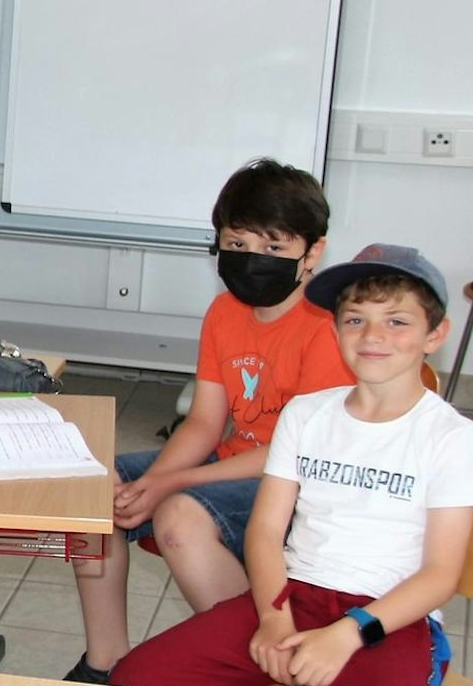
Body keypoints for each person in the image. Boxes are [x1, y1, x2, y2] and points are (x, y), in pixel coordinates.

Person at [111, 244, 473, 686]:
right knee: (138, 675)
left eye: (396, 321)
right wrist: (274, 619)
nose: (372, 336)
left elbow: (441, 574)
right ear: (334, 328)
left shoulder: (449, 436)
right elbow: (266, 531)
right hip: (294, 597)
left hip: (389, 618)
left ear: (435, 335)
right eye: (355, 320)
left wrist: (348, 634)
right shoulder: (306, 414)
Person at [65, 159, 354, 682]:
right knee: (98, 489)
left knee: (180, 516)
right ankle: (105, 662)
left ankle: (256, 661)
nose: (252, 259)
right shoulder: (224, 312)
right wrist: (153, 481)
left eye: (274, 247)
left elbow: (295, 453)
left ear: (312, 253)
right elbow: (203, 422)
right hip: (236, 462)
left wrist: (174, 483)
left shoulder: (327, 328)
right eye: (237, 243)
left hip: (300, 482)